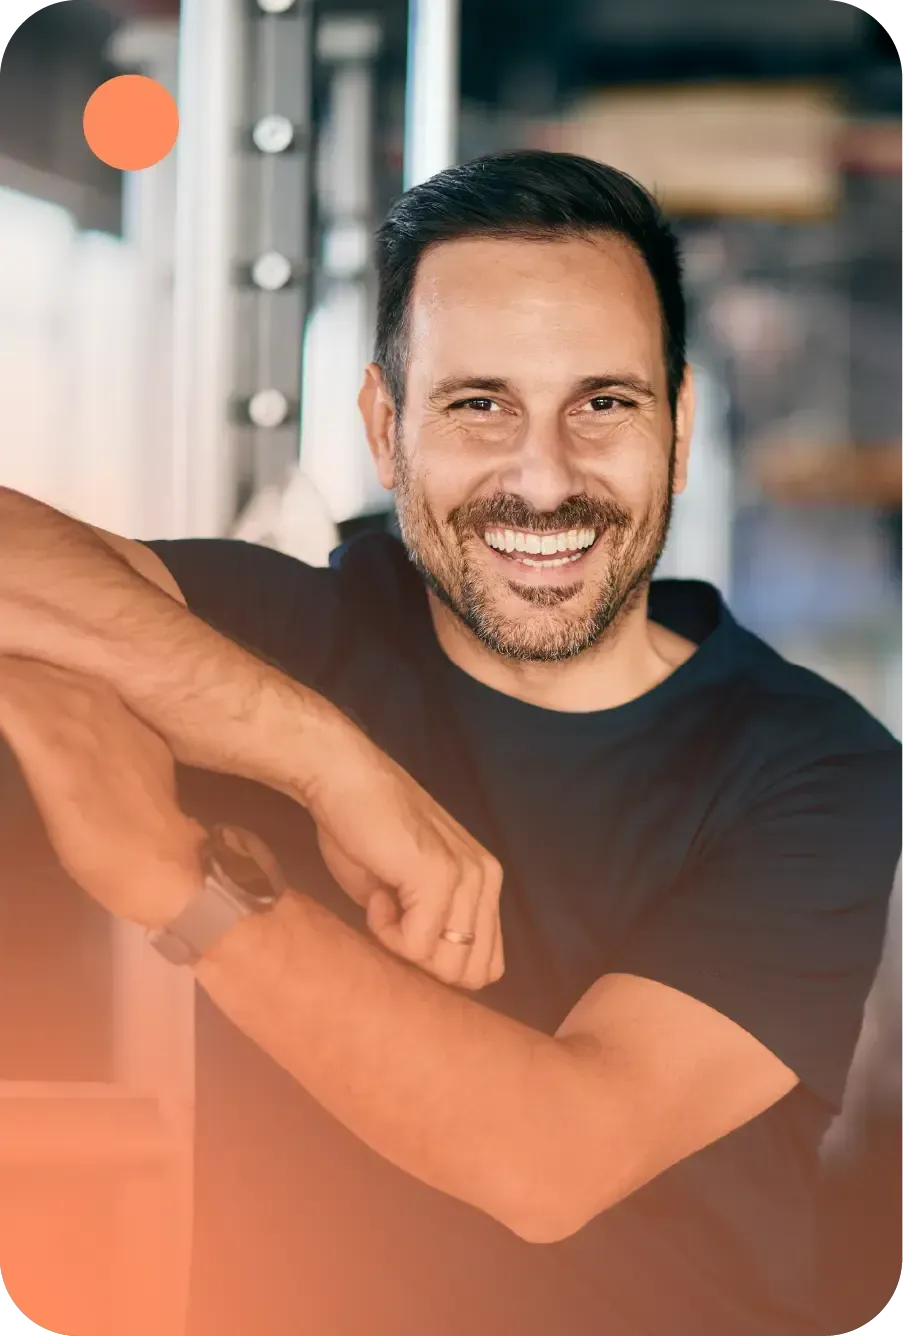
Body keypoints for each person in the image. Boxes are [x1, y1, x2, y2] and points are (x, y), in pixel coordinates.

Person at [1, 150, 902, 1336]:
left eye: (605, 404)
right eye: (480, 404)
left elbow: (553, 1159)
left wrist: (186, 880)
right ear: (386, 429)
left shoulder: (817, 765)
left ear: (679, 428)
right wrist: (326, 760)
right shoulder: (294, 639)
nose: (545, 479)